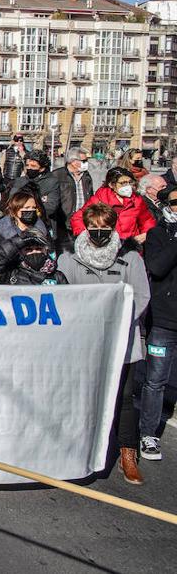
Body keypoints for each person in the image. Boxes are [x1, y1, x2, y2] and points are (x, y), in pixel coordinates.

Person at [56, 202, 150, 485]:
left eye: (105, 229)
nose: (99, 234)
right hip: (82, 342)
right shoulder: (69, 258)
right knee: (81, 396)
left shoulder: (130, 257)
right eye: (93, 228)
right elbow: (64, 296)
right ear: (85, 227)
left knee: (125, 399)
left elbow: (141, 296)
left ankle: (127, 453)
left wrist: (117, 322)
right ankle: (75, 450)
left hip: (122, 341)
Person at [140, 185, 177, 462]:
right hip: (164, 320)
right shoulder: (157, 234)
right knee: (155, 380)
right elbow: (157, 267)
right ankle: (148, 433)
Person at [0, 189, 51, 283]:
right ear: (15, 211)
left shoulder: (42, 231)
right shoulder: (1, 232)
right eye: (27, 208)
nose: (31, 211)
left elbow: (51, 257)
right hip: (7, 282)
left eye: (33, 208)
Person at [71, 167, 156, 245]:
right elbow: (78, 218)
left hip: (130, 246)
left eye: (130, 182)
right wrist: (88, 236)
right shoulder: (99, 199)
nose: (128, 186)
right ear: (111, 185)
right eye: (123, 183)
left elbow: (147, 220)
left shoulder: (137, 200)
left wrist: (146, 234)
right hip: (106, 246)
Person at [53, 147, 94, 250]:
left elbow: (91, 197)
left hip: (83, 222)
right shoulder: (57, 176)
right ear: (73, 162)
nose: (86, 163)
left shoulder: (86, 176)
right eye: (84, 160)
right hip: (64, 224)